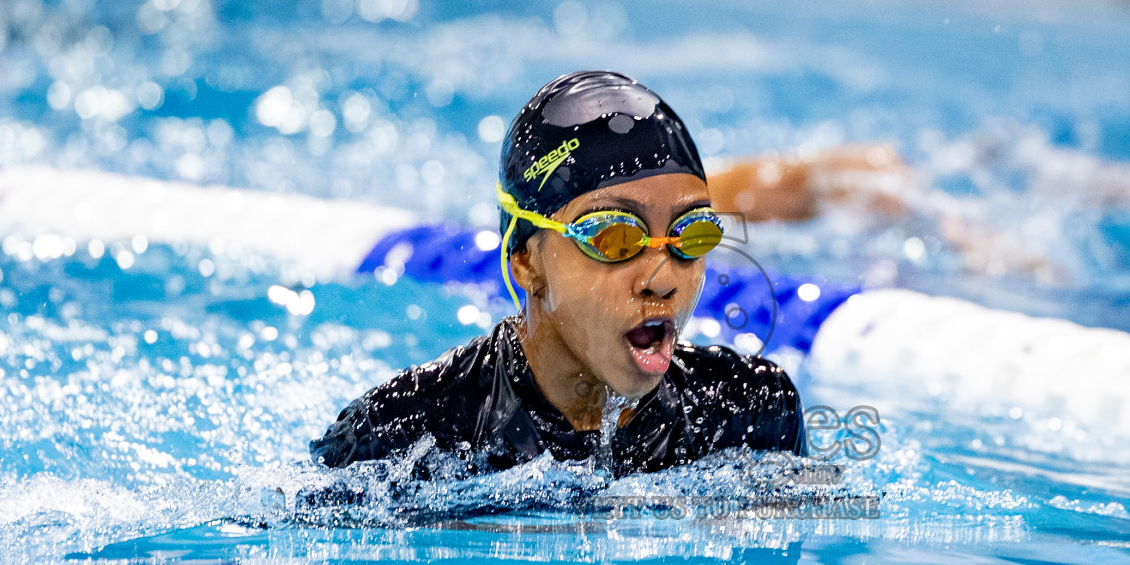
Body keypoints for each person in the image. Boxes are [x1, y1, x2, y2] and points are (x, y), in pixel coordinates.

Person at [312, 71, 808, 477]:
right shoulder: (405, 434)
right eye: (616, 237)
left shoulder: (751, 413)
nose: (663, 278)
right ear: (526, 261)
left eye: (691, 235)